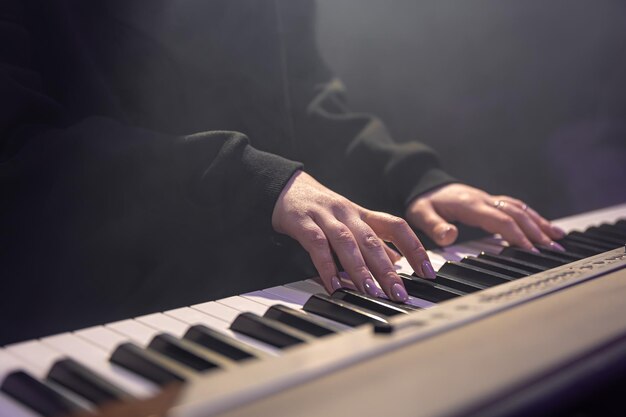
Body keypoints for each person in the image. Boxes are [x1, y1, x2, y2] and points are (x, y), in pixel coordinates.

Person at [0, 0, 565, 344]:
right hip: (76, 320)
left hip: (264, 299)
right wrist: (255, 180)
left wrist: (415, 181)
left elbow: (310, 104)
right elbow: (18, 143)